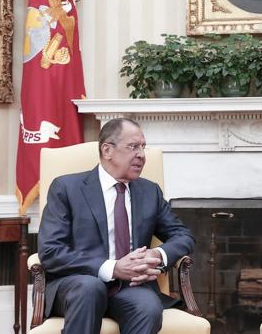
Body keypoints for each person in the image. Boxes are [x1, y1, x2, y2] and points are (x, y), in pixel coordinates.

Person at [38, 118, 195, 334]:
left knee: (148, 306)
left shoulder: (149, 192)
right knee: (90, 289)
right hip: (77, 284)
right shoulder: (66, 188)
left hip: (130, 286)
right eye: (133, 146)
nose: (141, 154)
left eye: (143, 147)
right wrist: (113, 268)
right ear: (107, 150)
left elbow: (183, 235)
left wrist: (157, 255)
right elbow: (51, 251)